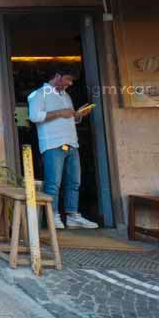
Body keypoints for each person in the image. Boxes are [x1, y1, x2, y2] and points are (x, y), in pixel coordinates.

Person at [27, 68, 98, 230]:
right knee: (53, 184)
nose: (70, 83)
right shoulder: (39, 94)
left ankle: (73, 216)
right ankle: (53, 216)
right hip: (52, 144)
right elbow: (34, 116)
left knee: (74, 182)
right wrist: (60, 112)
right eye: (68, 79)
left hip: (72, 143)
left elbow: (67, 118)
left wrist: (78, 115)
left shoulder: (65, 95)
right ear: (57, 76)